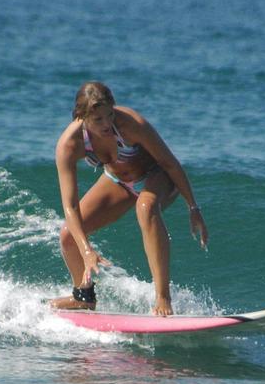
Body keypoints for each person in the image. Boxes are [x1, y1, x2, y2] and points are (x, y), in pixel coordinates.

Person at [50, 81, 208, 316]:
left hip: (157, 175)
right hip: (118, 182)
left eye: (110, 115)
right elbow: (70, 206)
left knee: (146, 206)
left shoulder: (131, 124)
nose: (107, 124)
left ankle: (163, 298)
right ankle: (83, 297)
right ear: (81, 117)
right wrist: (86, 250)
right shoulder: (69, 145)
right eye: (98, 119)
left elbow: (170, 164)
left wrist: (193, 207)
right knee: (68, 235)